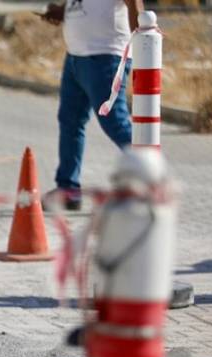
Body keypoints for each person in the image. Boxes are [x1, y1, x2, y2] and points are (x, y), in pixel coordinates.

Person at [41, 0, 143, 210]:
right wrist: (63, 11)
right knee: (70, 122)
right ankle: (68, 189)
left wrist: (143, 38)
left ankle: (153, 178)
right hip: (76, 57)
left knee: (115, 122)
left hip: (106, 56)